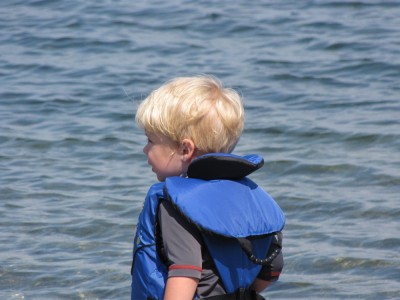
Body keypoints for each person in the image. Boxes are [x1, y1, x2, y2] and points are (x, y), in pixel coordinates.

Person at [131, 75, 285, 300]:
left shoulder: (176, 205)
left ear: (185, 149)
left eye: (151, 141)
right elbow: (271, 271)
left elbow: (184, 277)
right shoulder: (249, 196)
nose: (145, 150)